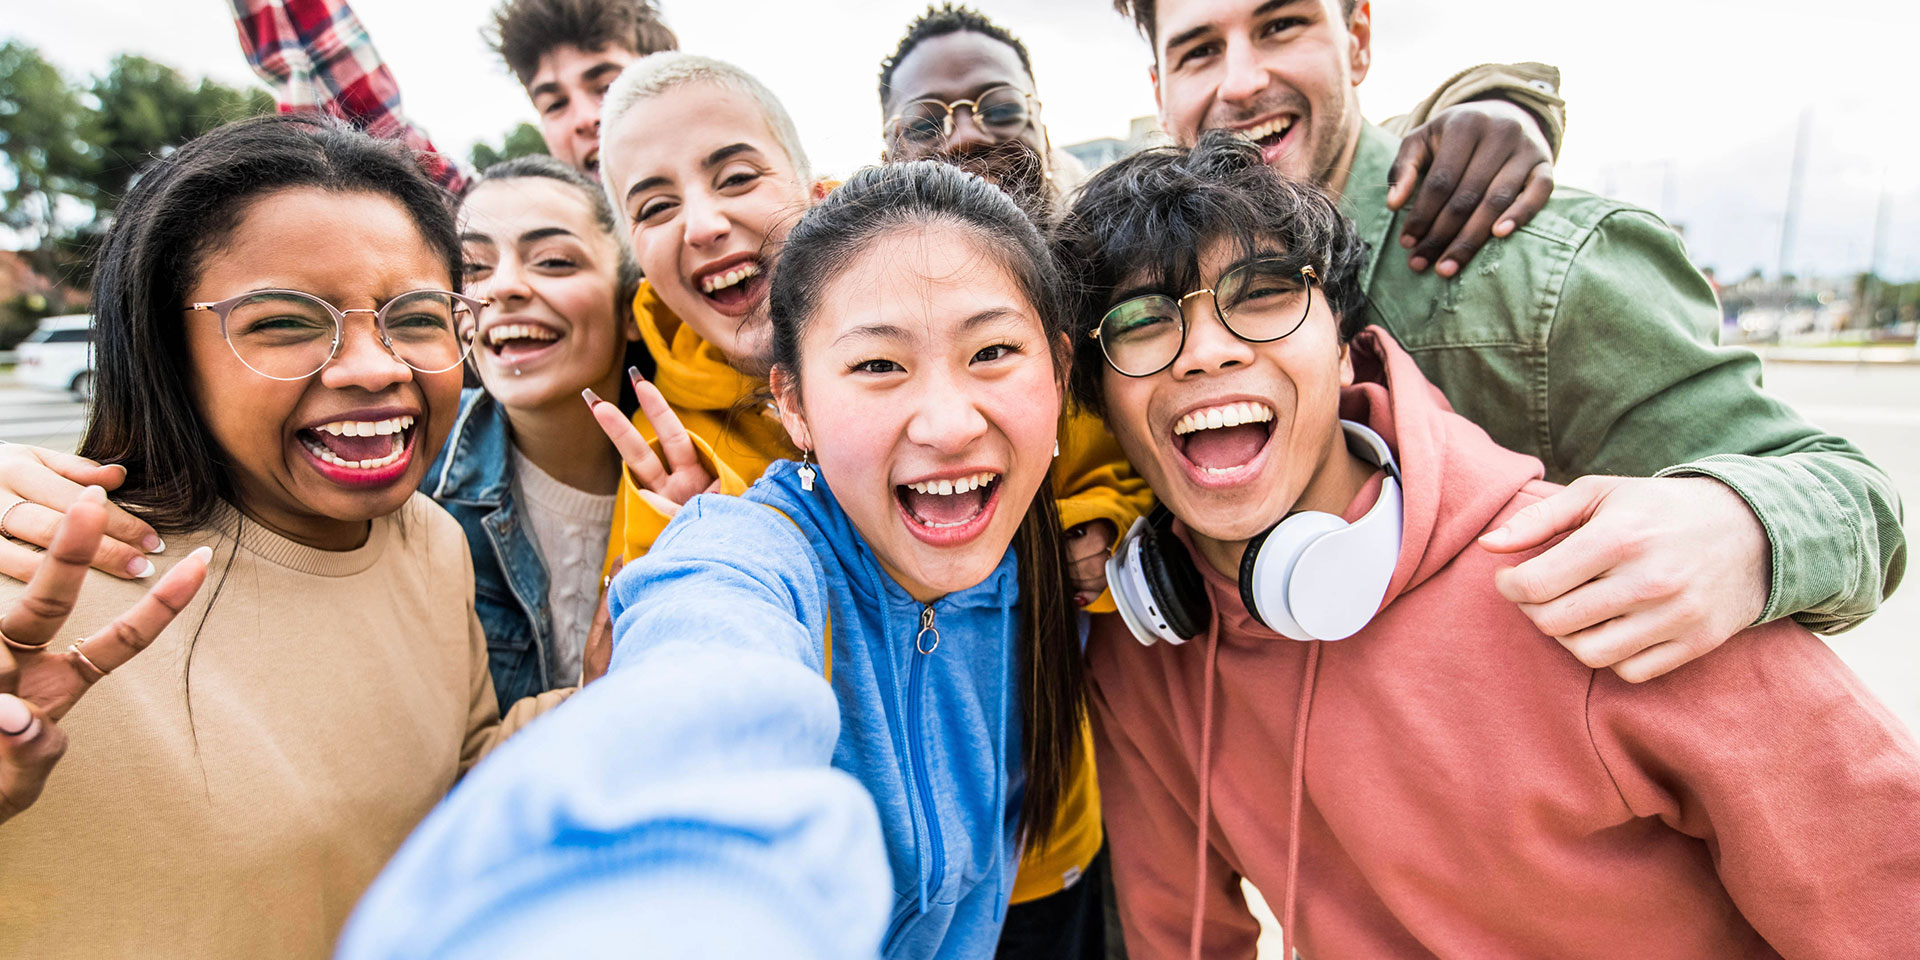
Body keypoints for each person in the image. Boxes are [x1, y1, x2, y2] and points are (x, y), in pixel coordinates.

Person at [1058, 132, 1920, 960]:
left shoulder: (1615, 572)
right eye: (1141, 320)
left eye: (1264, 294)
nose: (1207, 352)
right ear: (1095, 394)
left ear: (1347, 340)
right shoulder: (1146, 652)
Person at [346, 159, 1087, 960]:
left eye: (993, 352)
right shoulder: (748, 555)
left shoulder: (1052, 554)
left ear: (1061, 371)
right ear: (793, 405)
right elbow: (699, 679)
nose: (947, 423)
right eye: (878, 365)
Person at [1112, 0, 1904, 675]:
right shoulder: (1131, 294)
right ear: (1159, 89)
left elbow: (1855, 499)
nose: (1242, 80)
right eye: (1200, 50)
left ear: (1356, 41)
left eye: (1281, 25)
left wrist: (1743, 528)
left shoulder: (1542, 266)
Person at [0, 115, 567, 959]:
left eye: (416, 316)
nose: (376, 366)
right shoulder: (42, 584)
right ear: (166, 348)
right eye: (285, 323)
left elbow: (445, 787)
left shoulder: (431, 540)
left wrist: (624, 684)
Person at [877, 2, 1565, 272]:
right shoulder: (845, 289)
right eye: (1201, 49)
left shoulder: (1104, 258)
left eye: (1281, 25)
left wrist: (1504, 102)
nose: (965, 136)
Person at [429, 155, 653, 706]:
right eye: (474, 267)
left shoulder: (716, 477)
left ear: (631, 306)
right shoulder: (410, 476)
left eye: (553, 261)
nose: (502, 288)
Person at [228, 0, 678, 187]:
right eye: (554, 103)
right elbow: (363, 126)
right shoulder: (513, 238)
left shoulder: (747, 213)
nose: (585, 117)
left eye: (606, 85)